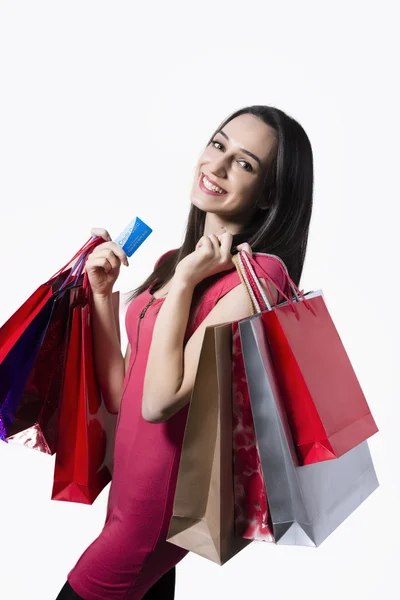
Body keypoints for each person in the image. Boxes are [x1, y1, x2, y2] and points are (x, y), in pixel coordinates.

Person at [55, 104, 314, 600]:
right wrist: (105, 297)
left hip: (154, 512)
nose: (216, 166)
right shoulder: (173, 262)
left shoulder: (260, 277)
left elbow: (160, 401)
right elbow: (124, 392)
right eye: (218, 145)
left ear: (268, 198)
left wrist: (188, 282)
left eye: (244, 163)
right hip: (126, 500)